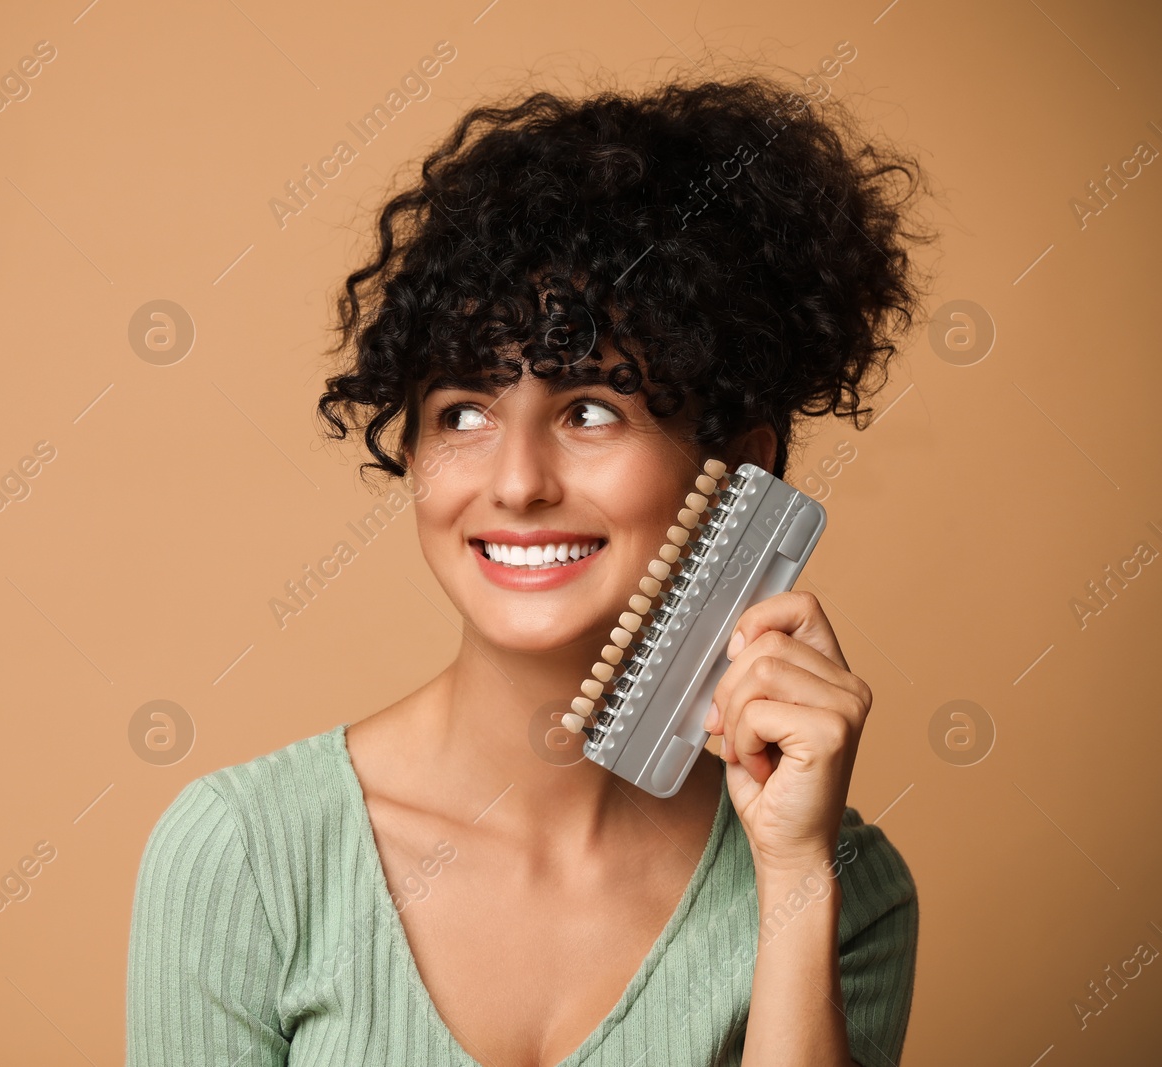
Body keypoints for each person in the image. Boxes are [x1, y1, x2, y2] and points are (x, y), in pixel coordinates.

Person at [126, 70, 932, 1067]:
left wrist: (794, 874)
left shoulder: (843, 883)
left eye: (590, 407)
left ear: (741, 470)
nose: (514, 482)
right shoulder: (247, 856)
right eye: (462, 411)